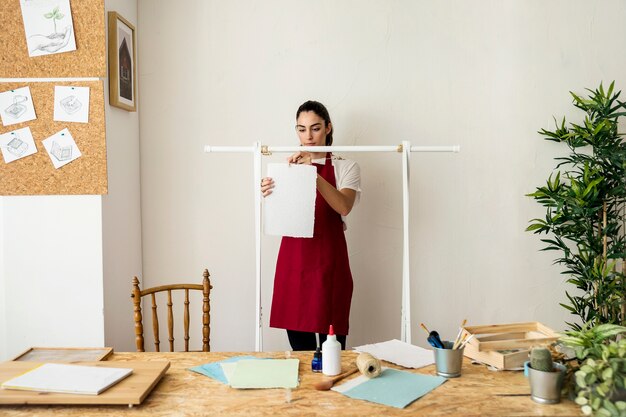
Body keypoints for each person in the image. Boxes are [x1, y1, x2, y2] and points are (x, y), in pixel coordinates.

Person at [261, 100, 361, 351]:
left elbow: (343, 206)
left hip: (330, 264)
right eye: (301, 129)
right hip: (294, 265)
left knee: (332, 352)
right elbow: (281, 216)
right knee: (302, 355)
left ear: (328, 128)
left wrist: (313, 173)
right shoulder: (286, 168)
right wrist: (269, 193)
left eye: (315, 128)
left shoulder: (345, 166)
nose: (308, 136)